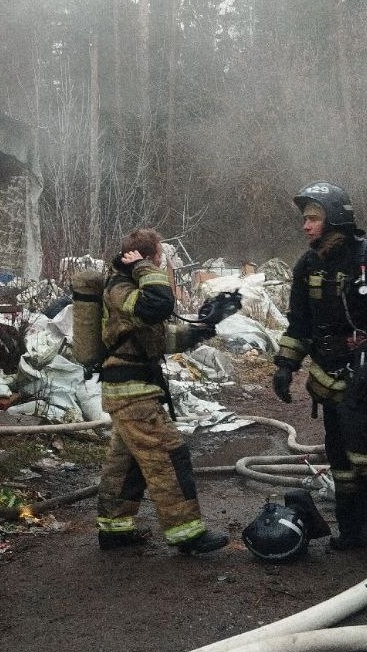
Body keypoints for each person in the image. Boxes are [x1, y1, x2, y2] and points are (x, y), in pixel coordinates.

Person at [272, 182, 367, 551]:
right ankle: (351, 528)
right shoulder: (308, 263)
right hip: (328, 372)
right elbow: (299, 322)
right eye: (305, 219)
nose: (306, 226)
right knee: (338, 452)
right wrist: (286, 364)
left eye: (314, 218)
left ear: (335, 219)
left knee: (365, 447)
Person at [94, 228, 229, 554]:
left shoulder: (130, 288)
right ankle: (187, 533)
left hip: (133, 390)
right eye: (160, 256)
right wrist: (144, 267)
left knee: (125, 463)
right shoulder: (121, 287)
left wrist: (203, 328)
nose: (162, 262)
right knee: (169, 455)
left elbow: (156, 339)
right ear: (149, 257)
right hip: (132, 393)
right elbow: (157, 305)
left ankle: (114, 528)